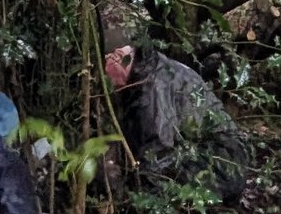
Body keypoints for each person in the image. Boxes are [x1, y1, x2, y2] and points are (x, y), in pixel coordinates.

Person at [104, 36, 250, 205]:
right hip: (223, 157)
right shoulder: (155, 67)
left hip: (223, 162)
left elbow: (157, 151)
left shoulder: (153, 84)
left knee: (153, 177)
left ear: (120, 55)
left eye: (106, 63)